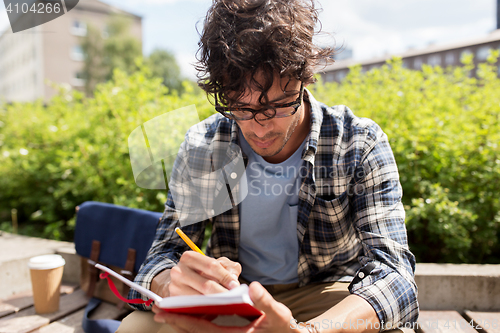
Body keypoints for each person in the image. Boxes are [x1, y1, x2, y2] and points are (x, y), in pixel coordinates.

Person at [117, 0, 419, 332]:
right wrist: (172, 282)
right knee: (137, 328)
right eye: (240, 108)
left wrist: (311, 331)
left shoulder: (358, 143)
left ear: (304, 79)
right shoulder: (204, 145)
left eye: (276, 106)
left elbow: (394, 274)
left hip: (328, 296)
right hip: (234, 296)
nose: (259, 128)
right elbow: (162, 255)